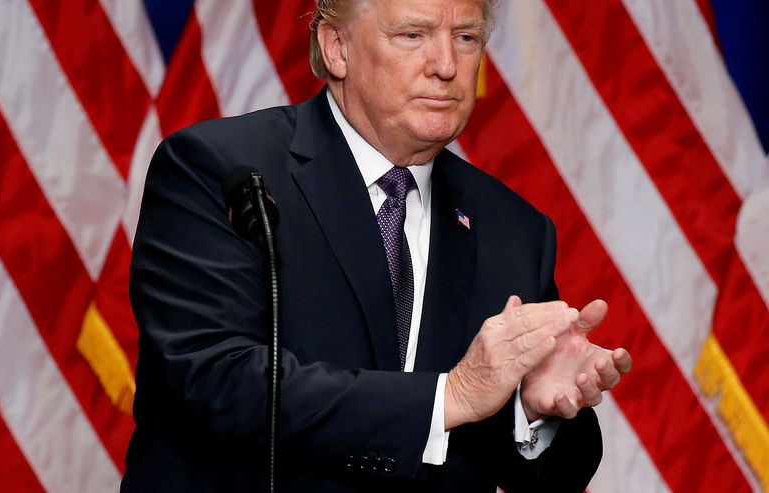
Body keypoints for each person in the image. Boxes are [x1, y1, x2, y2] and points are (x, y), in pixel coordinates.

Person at [121, 0, 632, 491]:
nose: (447, 65)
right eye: (413, 35)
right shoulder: (220, 169)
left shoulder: (514, 229)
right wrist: (447, 399)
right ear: (337, 46)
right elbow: (213, 382)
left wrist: (531, 411)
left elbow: (551, 477)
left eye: (466, 37)